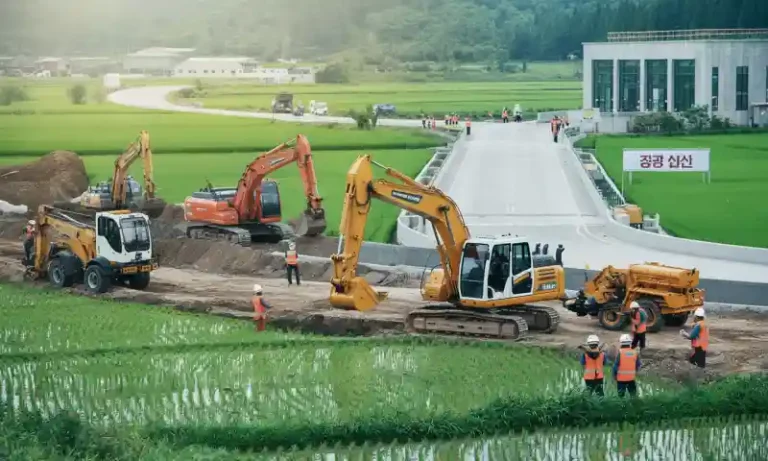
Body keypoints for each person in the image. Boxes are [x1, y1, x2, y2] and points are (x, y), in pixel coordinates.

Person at [613, 334, 641, 398]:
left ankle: (623, 407)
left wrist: (614, 376)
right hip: (631, 379)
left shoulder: (620, 352)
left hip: (621, 379)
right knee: (633, 395)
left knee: (621, 397)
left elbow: (615, 366)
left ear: (621, 342)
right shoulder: (634, 352)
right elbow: (638, 365)